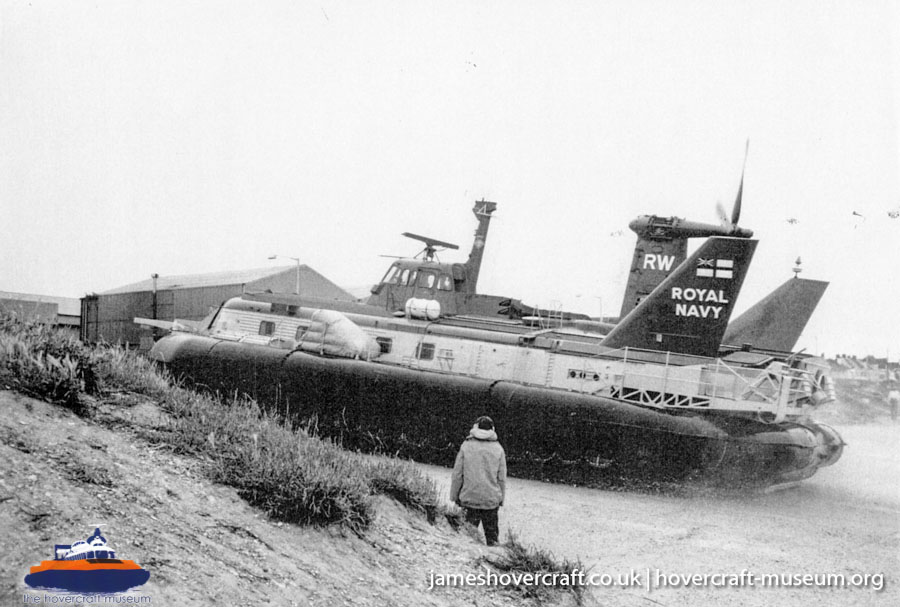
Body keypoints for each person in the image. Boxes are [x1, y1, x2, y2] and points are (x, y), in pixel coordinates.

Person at [449, 416, 507, 546]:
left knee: (466, 539)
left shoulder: (466, 446)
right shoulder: (498, 448)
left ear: (475, 427)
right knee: (492, 540)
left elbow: (457, 474)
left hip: (469, 498)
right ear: (492, 429)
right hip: (490, 501)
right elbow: (501, 478)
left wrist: (454, 496)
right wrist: (501, 499)